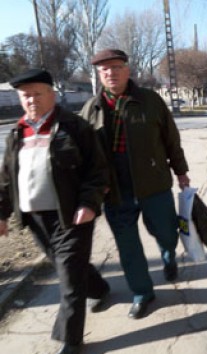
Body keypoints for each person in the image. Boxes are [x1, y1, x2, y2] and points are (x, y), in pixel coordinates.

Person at [0, 69, 110, 354]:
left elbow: (97, 172)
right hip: (35, 219)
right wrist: (1, 214)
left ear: (51, 93)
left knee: (69, 279)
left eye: (38, 93)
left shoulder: (75, 127)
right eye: (26, 95)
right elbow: (6, 178)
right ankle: (99, 288)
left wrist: (88, 204)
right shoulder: (17, 132)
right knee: (72, 269)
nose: (32, 100)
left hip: (71, 216)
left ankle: (71, 340)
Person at [80, 49, 190, 319]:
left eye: (116, 67)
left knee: (166, 231)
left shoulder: (150, 101)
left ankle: (168, 254)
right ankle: (143, 293)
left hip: (154, 183)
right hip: (115, 190)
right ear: (98, 74)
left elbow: (171, 139)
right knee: (128, 247)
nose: (111, 73)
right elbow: (82, 155)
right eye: (104, 69)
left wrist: (181, 171)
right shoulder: (90, 110)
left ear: (127, 70)